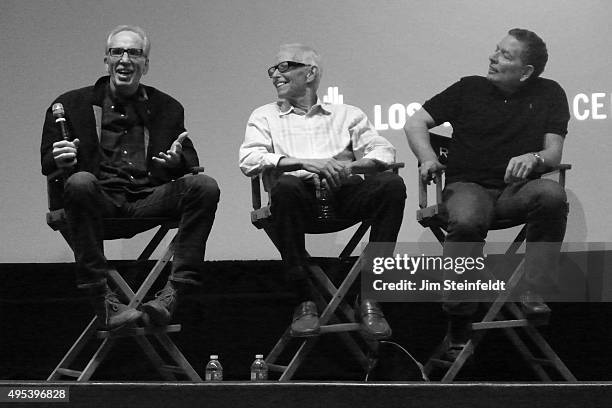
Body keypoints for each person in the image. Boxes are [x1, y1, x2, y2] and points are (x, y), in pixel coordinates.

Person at [40, 25, 220, 330]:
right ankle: (103, 299)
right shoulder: (71, 104)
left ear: (145, 64)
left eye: (134, 53)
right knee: (80, 182)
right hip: (97, 202)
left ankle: (172, 294)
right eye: (117, 52)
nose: (125, 59)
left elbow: (188, 160)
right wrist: (59, 158)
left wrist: (177, 161)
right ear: (106, 60)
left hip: (146, 198)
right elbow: (47, 162)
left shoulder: (167, 107)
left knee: (204, 186)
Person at [404, 28, 570, 357]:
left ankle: (533, 291)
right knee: (466, 219)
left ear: (526, 72)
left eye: (505, 55)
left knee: (552, 196)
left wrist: (533, 158)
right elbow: (415, 123)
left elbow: (553, 154)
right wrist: (427, 158)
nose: (493, 58)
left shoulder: (550, 93)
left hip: (514, 191)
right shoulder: (470, 88)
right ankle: (459, 320)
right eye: (496, 50)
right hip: (467, 186)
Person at [239, 44, 406, 338]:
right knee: (287, 186)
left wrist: (349, 168)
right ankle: (304, 297)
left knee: (392, 184)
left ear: (310, 72)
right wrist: (304, 163)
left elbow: (385, 151)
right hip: (297, 201)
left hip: (345, 194)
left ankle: (371, 294)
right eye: (273, 70)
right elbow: (249, 159)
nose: (275, 75)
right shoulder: (264, 116)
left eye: (284, 67)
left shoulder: (347, 114)